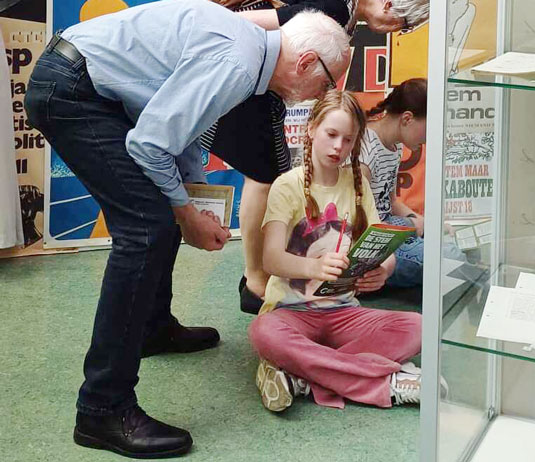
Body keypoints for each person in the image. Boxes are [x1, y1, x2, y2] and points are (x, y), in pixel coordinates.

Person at [23, 0, 350, 458]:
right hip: (72, 89)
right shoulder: (238, 63)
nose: (322, 95)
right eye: (327, 82)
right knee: (147, 229)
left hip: (83, 81)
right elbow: (150, 144)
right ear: (306, 62)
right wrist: (187, 215)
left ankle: (152, 329)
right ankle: (101, 408)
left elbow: (183, 130)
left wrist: (191, 196)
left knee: (160, 212)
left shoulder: (247, 54)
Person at [203, 0, 430, 314]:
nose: (396, 32)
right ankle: (256, 280)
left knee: (268, 176)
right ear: (390, 5)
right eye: (401, 24)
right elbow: (246, 21)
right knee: (263, 178)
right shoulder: (334, 8)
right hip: (254, 85)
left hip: (263, 86)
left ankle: (260, 277)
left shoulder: (345, 13)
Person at [248, 90, 425, 412]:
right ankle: (387, 384)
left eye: (348, 140)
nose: (338, 147)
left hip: (343, 310)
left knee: (418, 327)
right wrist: (314, 268)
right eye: (331, 134)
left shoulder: (357, 185)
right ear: (311, 129)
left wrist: (384, 270)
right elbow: (271, 259)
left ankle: (301, 376)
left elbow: (381, 245)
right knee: (263, 332)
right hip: (292, 312)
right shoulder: (287, 185)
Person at [358, 78, 463, 288]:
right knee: (450, 259)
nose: (429, 139)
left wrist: (426, 223)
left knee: (450, 245)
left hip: (389, 229)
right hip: (371, 241)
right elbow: (357, 222)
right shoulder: (365, 150)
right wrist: (410, 226)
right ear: (407, 118)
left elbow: (391, 202)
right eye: (429, 129)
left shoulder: (395, 146)